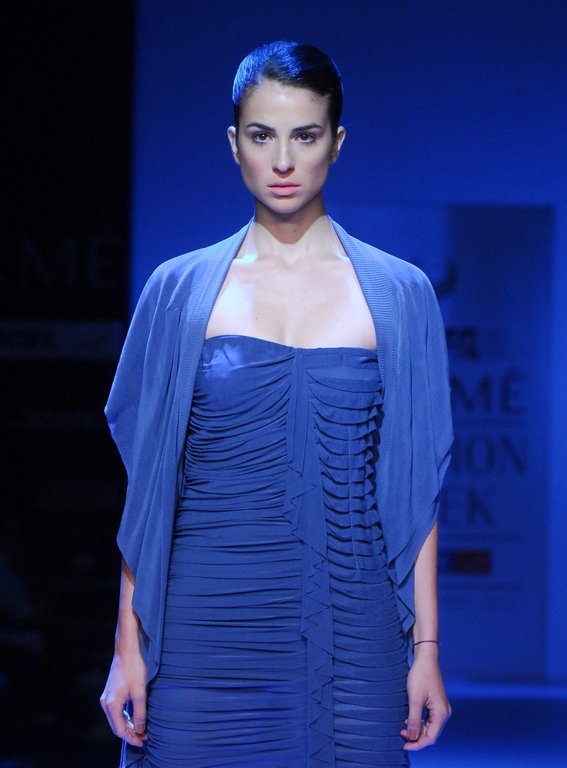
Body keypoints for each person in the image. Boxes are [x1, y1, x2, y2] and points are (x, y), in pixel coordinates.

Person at [100, 40, 453, 768]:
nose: (283, 161)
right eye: (262, 136)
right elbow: (150, 492)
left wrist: (426, 649)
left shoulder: (401, 294)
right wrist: (125, 645)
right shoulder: (177, 292)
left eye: (305, 136)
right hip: (200, 638)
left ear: (337, 142)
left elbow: (417, 491)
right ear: (234, 144)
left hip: (355, 634)